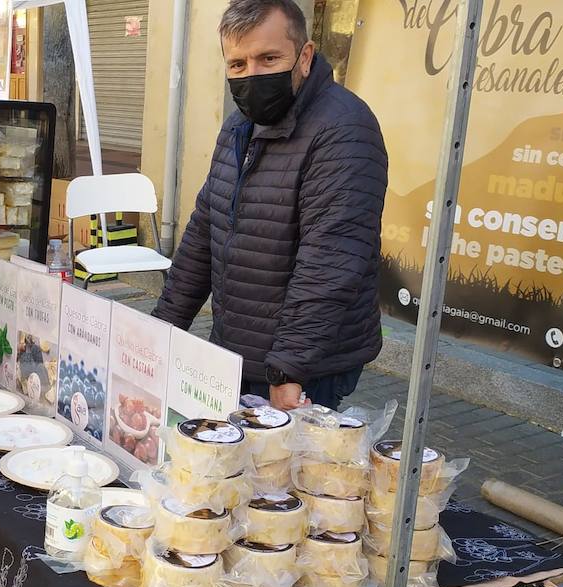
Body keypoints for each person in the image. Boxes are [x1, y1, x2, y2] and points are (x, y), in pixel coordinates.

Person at [151, 0, 387, 412]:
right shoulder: (238, 125)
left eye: (268, 58)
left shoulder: (343, 128)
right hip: (238, 349)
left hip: (305, 366)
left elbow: (330, 260)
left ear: (305, 56)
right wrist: (161, 330)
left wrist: (288, 369)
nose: (252, 75)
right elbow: (205, 230)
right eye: (237, 64)